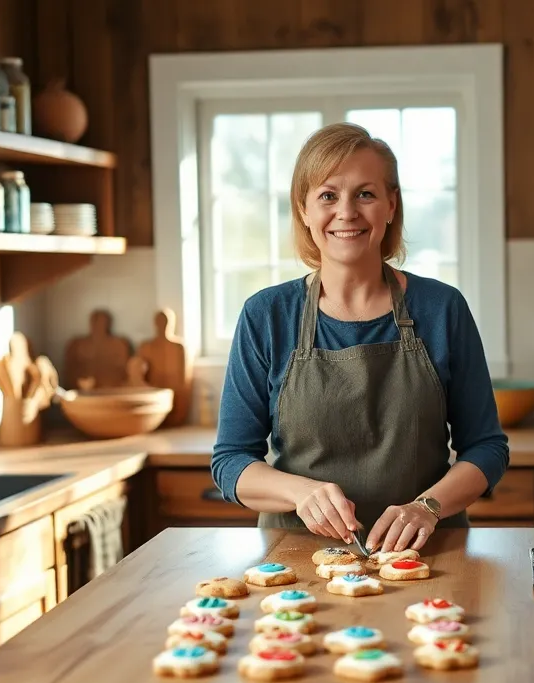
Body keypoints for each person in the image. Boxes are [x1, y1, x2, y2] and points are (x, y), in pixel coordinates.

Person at [211, 122, 509, 553]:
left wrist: (427, 506)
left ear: (391, 205)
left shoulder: (442, 309)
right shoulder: (266, 315)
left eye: (365, 194)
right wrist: (300, 493)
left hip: (427, 555)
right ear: (304, 211)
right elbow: (231, 461)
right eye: (328, 196)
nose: (346, 212)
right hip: (297, 557)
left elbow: (486, 447)